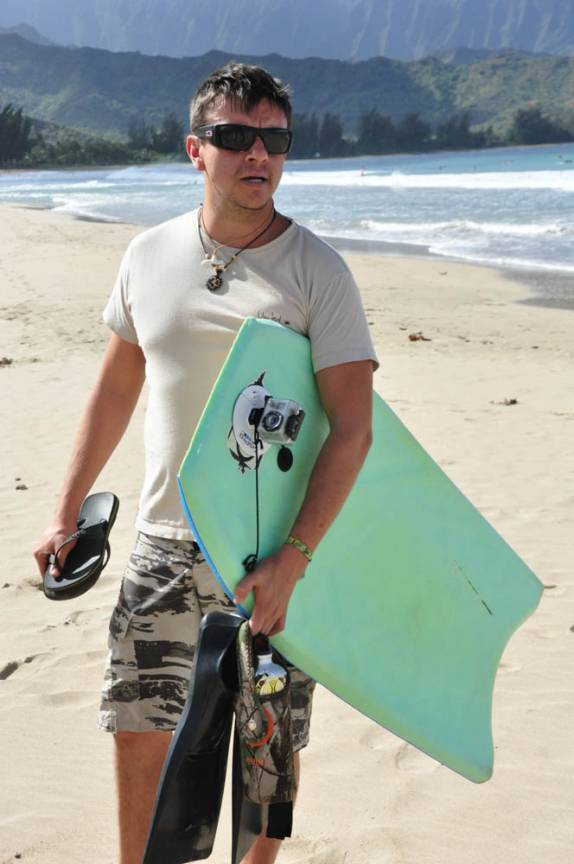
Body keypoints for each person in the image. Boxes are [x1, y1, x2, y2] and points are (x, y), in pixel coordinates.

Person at [33, 63, 378, 864]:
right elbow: (117, 388)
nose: (256, 153)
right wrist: (65, 507)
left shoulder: (317, 272)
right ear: (196, 149)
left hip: (270, 561)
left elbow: (352, 429)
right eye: (234, 137)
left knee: (265, 766)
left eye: (274, 139)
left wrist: (295, 559)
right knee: (138, 732)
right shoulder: (147, 255)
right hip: (161, 542)